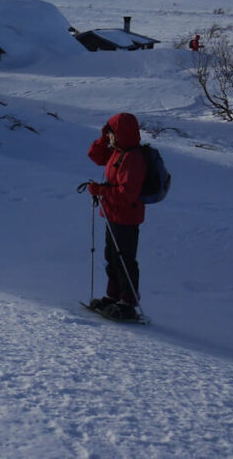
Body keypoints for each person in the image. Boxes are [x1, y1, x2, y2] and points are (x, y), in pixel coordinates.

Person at [86, 112, 146, 320]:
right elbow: (95, 156)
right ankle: (114, 296)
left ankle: (128, 302)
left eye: (111, 133)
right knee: (111, 257)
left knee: (124, 259)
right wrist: (104, 137)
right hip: (113, 214)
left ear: (121, 134)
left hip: (127, 217)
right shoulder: (118, 153)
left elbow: (127, 193)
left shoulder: (133, 157)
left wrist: (101, 191)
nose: (109, 137)